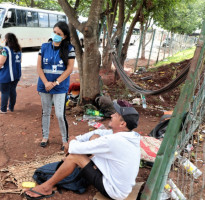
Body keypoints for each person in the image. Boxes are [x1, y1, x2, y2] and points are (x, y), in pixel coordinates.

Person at [25, 102, 141, 200]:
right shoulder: (130, 135)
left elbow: (74, 148)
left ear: (122, 123)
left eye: (116, 114)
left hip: (114, 191)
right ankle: (70, 166)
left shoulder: (113, 140)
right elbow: (98, 133)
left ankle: (46, 187)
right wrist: (78, 139)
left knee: (75, 156)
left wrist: (71, 141)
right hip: (122, 185)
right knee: (94, 137)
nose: (111, 115)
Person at [37, 21, 75, 150]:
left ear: (64, 36)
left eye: (59, 34)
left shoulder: (69, 49)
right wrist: (46, 83)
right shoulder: (44, 47)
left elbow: (69, 69)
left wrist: (55, 83)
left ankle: (65, 139)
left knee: (60, 114)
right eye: (54, 32)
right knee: (45, 112)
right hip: (44, 86)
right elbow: (39, 67)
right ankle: (45, 137)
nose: (56, 35)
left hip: (60, 87)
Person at [0, 33, 22, 113]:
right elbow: (20, 61)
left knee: (4, 92)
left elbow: (0, 63)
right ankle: (11, 108)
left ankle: (3, 109)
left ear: (7, 40)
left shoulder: (5, 50)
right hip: (16, 74)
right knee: (12, 91)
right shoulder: (18, 49)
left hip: (6, 75)